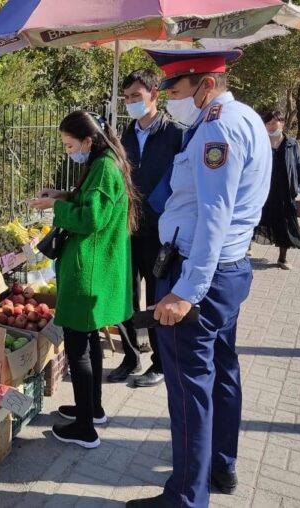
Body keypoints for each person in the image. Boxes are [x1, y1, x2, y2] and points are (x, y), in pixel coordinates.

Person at [126, 49, 271, 508]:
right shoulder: (244, 117)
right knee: (222, 372)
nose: (170, 99)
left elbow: (214, 213)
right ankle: (220, 467)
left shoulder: (217, 127)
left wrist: (187, 291)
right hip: (227, 271)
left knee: (189, 390)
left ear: (205, 85)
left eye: (175, 89)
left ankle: (186, 499)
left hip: (197, 274)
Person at [29, 111, 137, 449]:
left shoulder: (104, 167)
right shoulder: (105, 161)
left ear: (88, 141)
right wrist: (60, 195)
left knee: (78, 347)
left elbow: (91, 217)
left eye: (70, 145)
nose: (68, 152)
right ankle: (93, 408)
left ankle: (85, 429)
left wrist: (54, 208)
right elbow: (90, 201)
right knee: (90, 341)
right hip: (94, 265)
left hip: (88, 269)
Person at [109, 69, 184, 387]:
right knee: (124, 296)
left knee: (156, 297)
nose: (130, 103)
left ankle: (159, 361)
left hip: (160, 232)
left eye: (136, 97)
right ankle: (130, 356)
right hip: (126, 228)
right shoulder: (122, 135)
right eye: (126, 98)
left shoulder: (176, 134)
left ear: (155, 94)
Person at [252, 110, 300, 269]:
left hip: (284, 192)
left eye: (274, 123)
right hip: (261, 191)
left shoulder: (292, 144)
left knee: (285, 225)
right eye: (268, 123)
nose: (270, 126)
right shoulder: (259, 142)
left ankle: (282, 259)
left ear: (282, 124)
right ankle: (244, 249)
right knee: (252, 220)